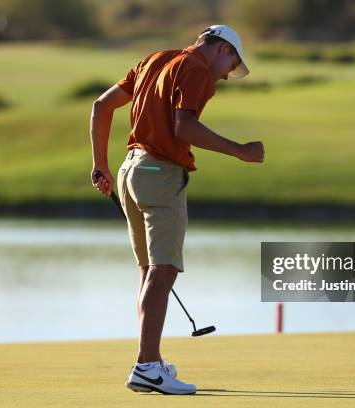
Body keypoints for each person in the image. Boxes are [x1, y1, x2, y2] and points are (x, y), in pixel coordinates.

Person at [89, 24, 265, 395]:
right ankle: (147, 366)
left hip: (129, 172)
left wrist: (100, 165)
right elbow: (184, 128)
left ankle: (149, 359)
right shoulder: (199, 70)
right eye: (231, 64)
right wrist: (241, 151)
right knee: (163, 270)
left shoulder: (155, 59)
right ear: (221, 50)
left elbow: (101, 106)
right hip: (159, 173)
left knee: (148, 272)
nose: (228, 73)